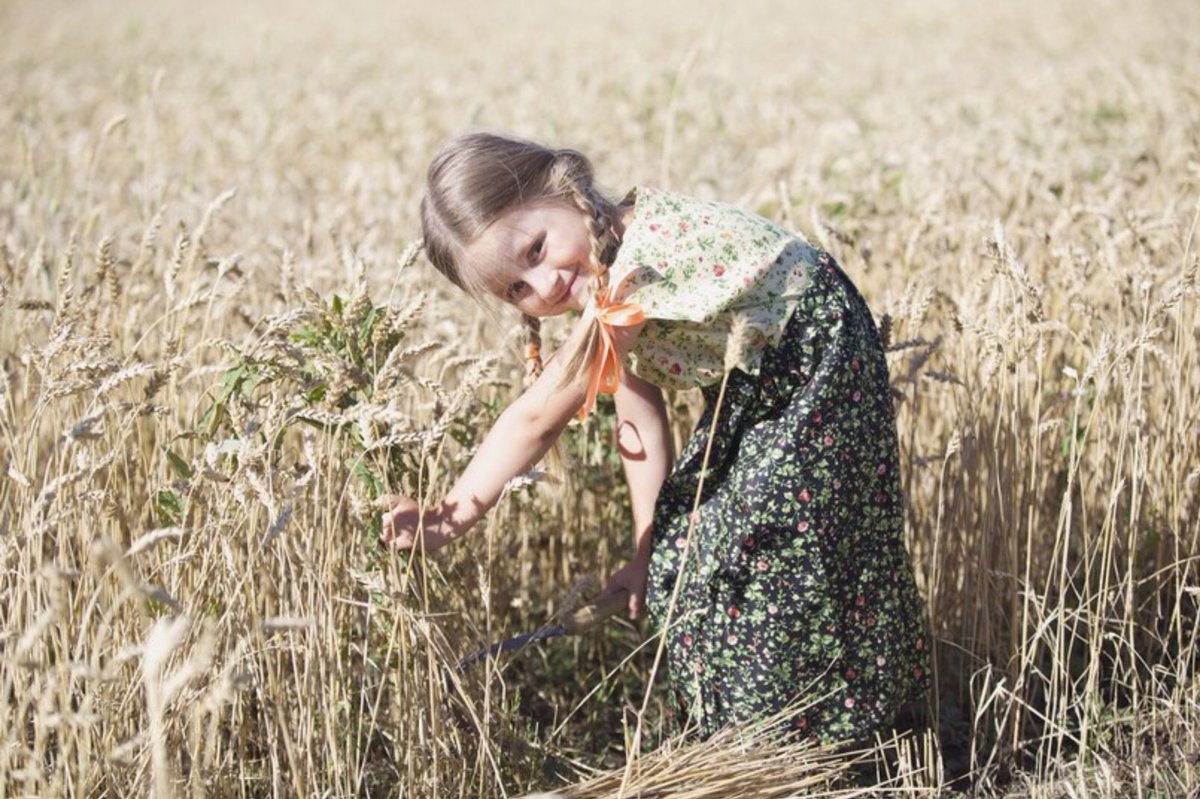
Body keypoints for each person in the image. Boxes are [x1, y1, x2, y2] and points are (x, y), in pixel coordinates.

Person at [382, 131, 929, 743]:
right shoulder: (604, 275)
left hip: (817, 364)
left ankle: (807, 734)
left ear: (563, 187)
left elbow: (537, 417)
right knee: (688, 550)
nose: (544, 286)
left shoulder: (635, 266)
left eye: (537, 249)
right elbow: (637, 418)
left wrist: (450, 518)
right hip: (765, 381)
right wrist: (646, 551)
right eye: (516, 289)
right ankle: (771, 733)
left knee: (758, 551)